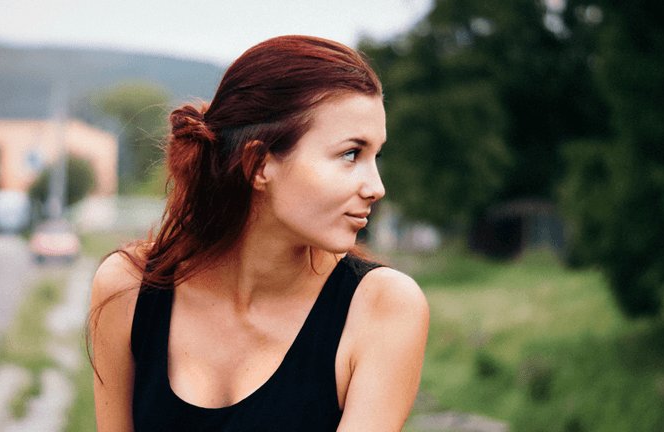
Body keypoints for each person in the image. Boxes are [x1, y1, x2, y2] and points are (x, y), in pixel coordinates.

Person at [89, 35, 429, 431]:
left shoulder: (382, 308)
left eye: (375, 155)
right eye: (350, 154)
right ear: (258, 164)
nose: (376, 187)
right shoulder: (129, 289)